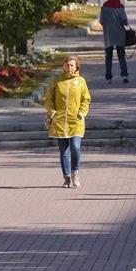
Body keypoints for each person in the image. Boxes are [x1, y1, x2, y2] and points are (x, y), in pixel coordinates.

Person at [45, 56, 91, 188]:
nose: (69, 68)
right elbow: (48, 99)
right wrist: (52, 112)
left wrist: (82, 112)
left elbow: (86, 99)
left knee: (75, 147)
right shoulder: (56, 81)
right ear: (63, 66)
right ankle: (67, 177)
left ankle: (75, 173)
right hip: (60, 121)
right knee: (64, 151)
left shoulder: (81, 81)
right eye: (67, 65)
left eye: (72, 65)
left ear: (76, 67)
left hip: (76, 121)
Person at [100, 0, 130, 83]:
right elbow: (124, 20)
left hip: (108, 35)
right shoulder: (120, 7)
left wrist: (107, 27)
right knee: (121, 56)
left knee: (108, 57)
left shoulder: (104, 8)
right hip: (120, 35)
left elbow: (101, 21)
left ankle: (108, 77)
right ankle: (124, 75)